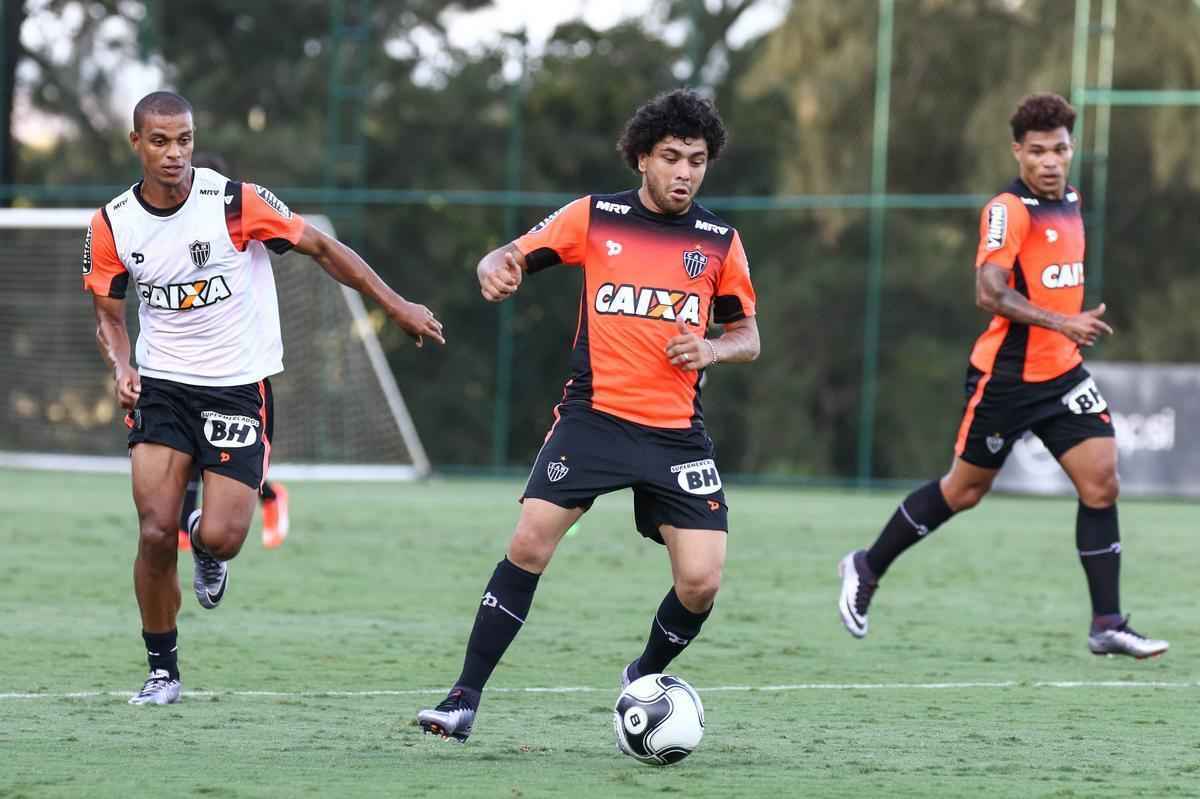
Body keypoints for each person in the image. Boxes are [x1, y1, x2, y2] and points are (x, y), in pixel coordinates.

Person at [417, 88, 760, 743]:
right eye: (671, 158)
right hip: (593, 420)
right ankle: (463, 697)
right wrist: (497, 265)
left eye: (697, 160)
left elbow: (749, 335)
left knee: (701, 581)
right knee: (529, 541)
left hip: (677, 435)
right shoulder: (595, 217)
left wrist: (713, 345)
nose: (685, 172)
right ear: (641, 159)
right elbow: (511, 253)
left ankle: (643, 678)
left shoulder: (719, 241)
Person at [84, 91, 445, 705]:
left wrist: (397, 305)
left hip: (236, 387)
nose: (175, 154)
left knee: (223, 536)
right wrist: (122, 367)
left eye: (185, 140)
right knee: (151, 531)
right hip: (164, 386)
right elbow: (110, 318)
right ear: (137, 144)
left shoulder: (234, 201)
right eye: (161, 141)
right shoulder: (113, 223)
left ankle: (206, 545)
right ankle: (162, 671)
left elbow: (325, 250)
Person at [836, 93, 1167, 659]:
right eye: (1036, 151)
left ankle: (1107, 622)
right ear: (1018, 151)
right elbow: (988, 291)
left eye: (1059, 149)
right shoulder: (1007, 210)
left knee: (1102, 481)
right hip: (1006, 382)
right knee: (963, 492)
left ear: (1071, 149)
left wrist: (1063, 333)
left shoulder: (1073, 200)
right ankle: (866, 565)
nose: (1048, 161)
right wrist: (1062, 321)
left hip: (1062, 376)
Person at [173, 153, 289, 552]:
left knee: (229, 467)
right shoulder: (166, 232)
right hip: (183, 370)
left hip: (236, 373)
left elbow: (304, 242)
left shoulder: (238, 219)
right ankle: (187, 532)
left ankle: (269, 497)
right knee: (184, 455)